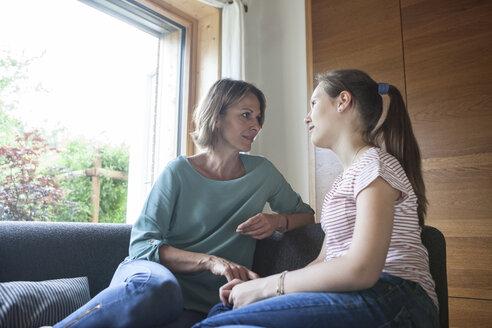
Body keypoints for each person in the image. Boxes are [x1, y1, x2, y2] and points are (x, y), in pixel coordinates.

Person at [53, 78, 314, 328]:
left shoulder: (263, 173)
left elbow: (306, 216)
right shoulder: (178, 172)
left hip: (202, 306)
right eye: (246, 115)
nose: (256, 125)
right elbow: (141, 245)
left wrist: (278, 220)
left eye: (258, 118)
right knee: (162, 290)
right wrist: (210, 261)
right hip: (151, 280)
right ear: (217, 116)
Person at [193, 69, 439, 328]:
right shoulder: (343, 181)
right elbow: (324, 261)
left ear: (343, 101)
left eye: (313, 103)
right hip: (356, 294)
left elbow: (362, 270)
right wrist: (255, 288)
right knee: (221, 311)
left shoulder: (374, 164)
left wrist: (269, 287)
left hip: (396, 296)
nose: (306, 117)